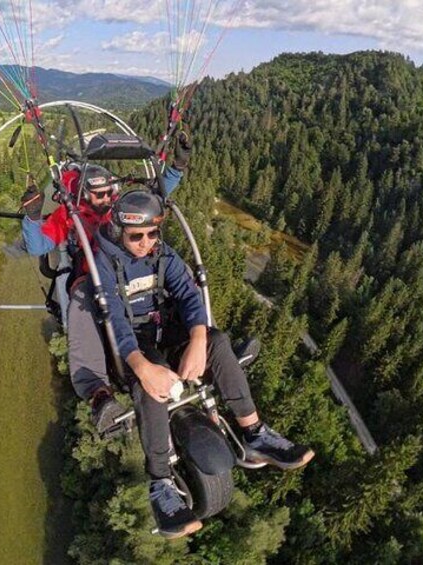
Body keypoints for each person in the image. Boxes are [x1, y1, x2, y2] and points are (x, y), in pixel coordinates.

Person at [92, 189, 315, 539]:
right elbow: (115, 321)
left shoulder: (163, 254)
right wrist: (141, 366)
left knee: (218, 341)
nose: (145, 242)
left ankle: (254, 432)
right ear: (120, 231)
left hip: (170, 335)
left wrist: (197, 341)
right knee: (152, 387)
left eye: (152, 233)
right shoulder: (105, 264)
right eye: (136, 235)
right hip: (134, 348)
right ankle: (161, 483)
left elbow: (188, 294)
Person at [19, 135, 192, 434]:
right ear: (85, 195)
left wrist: (177, 165)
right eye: (98, 195)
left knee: (180, 275)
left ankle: (196, 343)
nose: (106, 199)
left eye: (109, 192)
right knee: (82, 303)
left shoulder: (120, 207)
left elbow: (156, 198)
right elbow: (37, 247)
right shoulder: (69, 216)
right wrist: (33, 216)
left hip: (128, 269)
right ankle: (99, 395)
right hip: (92, 277)